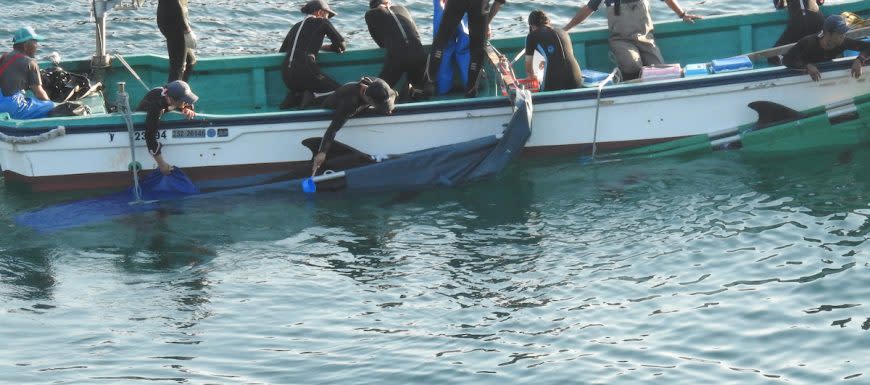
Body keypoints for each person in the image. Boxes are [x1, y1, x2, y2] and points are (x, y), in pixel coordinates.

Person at [564, 0, 702, 81]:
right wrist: (566, 29)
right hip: (621, 41)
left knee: (661, 72)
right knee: (632, 65)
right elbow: (588, 9)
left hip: (646, 39)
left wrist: (682, 14)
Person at [311, 77, 397, 175]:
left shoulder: (381, 85)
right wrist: (322, 152)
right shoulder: (350, 103)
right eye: (377, 105)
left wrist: (386, 108)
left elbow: (393, 95)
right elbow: (333, 129)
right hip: (334, 103)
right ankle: (311, 98)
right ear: (368, 98)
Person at [425, 0, 506, 98]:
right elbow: (498, 2)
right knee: (476, 49)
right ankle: (471, 89)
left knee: (441, 41)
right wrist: (486, 22)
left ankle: (430, 82)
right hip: (479, 4)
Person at [278, 0, 346, 109]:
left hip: (286, 75)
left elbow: (282, 51)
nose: (327, 19)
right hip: (305, 70)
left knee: (301, 87)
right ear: (319, 12)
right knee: (342, 91)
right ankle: (312, 97)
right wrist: (327, 48)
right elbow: (341, 46)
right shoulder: (322, 22)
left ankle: (295, 97)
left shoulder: (295, 26)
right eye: (327, 15)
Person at [365, 0, 427, 99]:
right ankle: (414, 92)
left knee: (376, 92)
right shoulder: (403, 8)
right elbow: (416, 34)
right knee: (417, 87)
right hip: (419, 55)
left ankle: (394, 96)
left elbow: (380, 43)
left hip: (398, 59)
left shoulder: (370, 14)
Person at [136, 80, 199, 175]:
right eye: (184, 101)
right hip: (148, 115)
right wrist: (162, 164)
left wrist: (187, 108)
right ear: (173, 99)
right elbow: (149, 135)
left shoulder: (171, 96)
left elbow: (186, 103)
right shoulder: (156, 106)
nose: (186, 102)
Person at [782, 14, 870, 81]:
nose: (843, 35)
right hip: (805, 76)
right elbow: (787, 59)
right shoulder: (809, 43)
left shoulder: (842, 42)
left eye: (844, 32)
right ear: (828, 33)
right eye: (840, 33)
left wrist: (860, 59)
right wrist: (806, 66)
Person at [0, 27, 55, 120]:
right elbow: (39, 93)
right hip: (12, 107)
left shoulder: (4, 56)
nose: (37, 46)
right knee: (50, 106)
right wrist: (51, 104)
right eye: (35, 42)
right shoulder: (30, 62)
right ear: (26, 45)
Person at [524, 10, 582, 91]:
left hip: (555, 81)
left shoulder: (531, 36)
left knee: (541, 91)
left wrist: (532, 76)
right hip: (576, 78)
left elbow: (528, 67)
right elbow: (562, 55)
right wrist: (546, 61)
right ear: (548, 22)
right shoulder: (563, 32)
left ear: (532, 26)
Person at [769, 0, 826, 65]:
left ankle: (794, 63)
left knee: (773, 57)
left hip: (798, 24)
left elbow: (780, 6)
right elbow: (820, 2)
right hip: (817, 21)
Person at [432, 0, 471, 95]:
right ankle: (470, 85)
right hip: (464, 7)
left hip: (443, 8)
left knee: (443, 48)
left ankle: (444, 89)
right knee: (465, 47)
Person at [157, 0, 197, 82]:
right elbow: (173, 3)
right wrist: (186, 30)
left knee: (190, 61)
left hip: (170, 19)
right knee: (178, 67)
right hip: (175, 22)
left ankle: (182, 91)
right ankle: (172, 93)